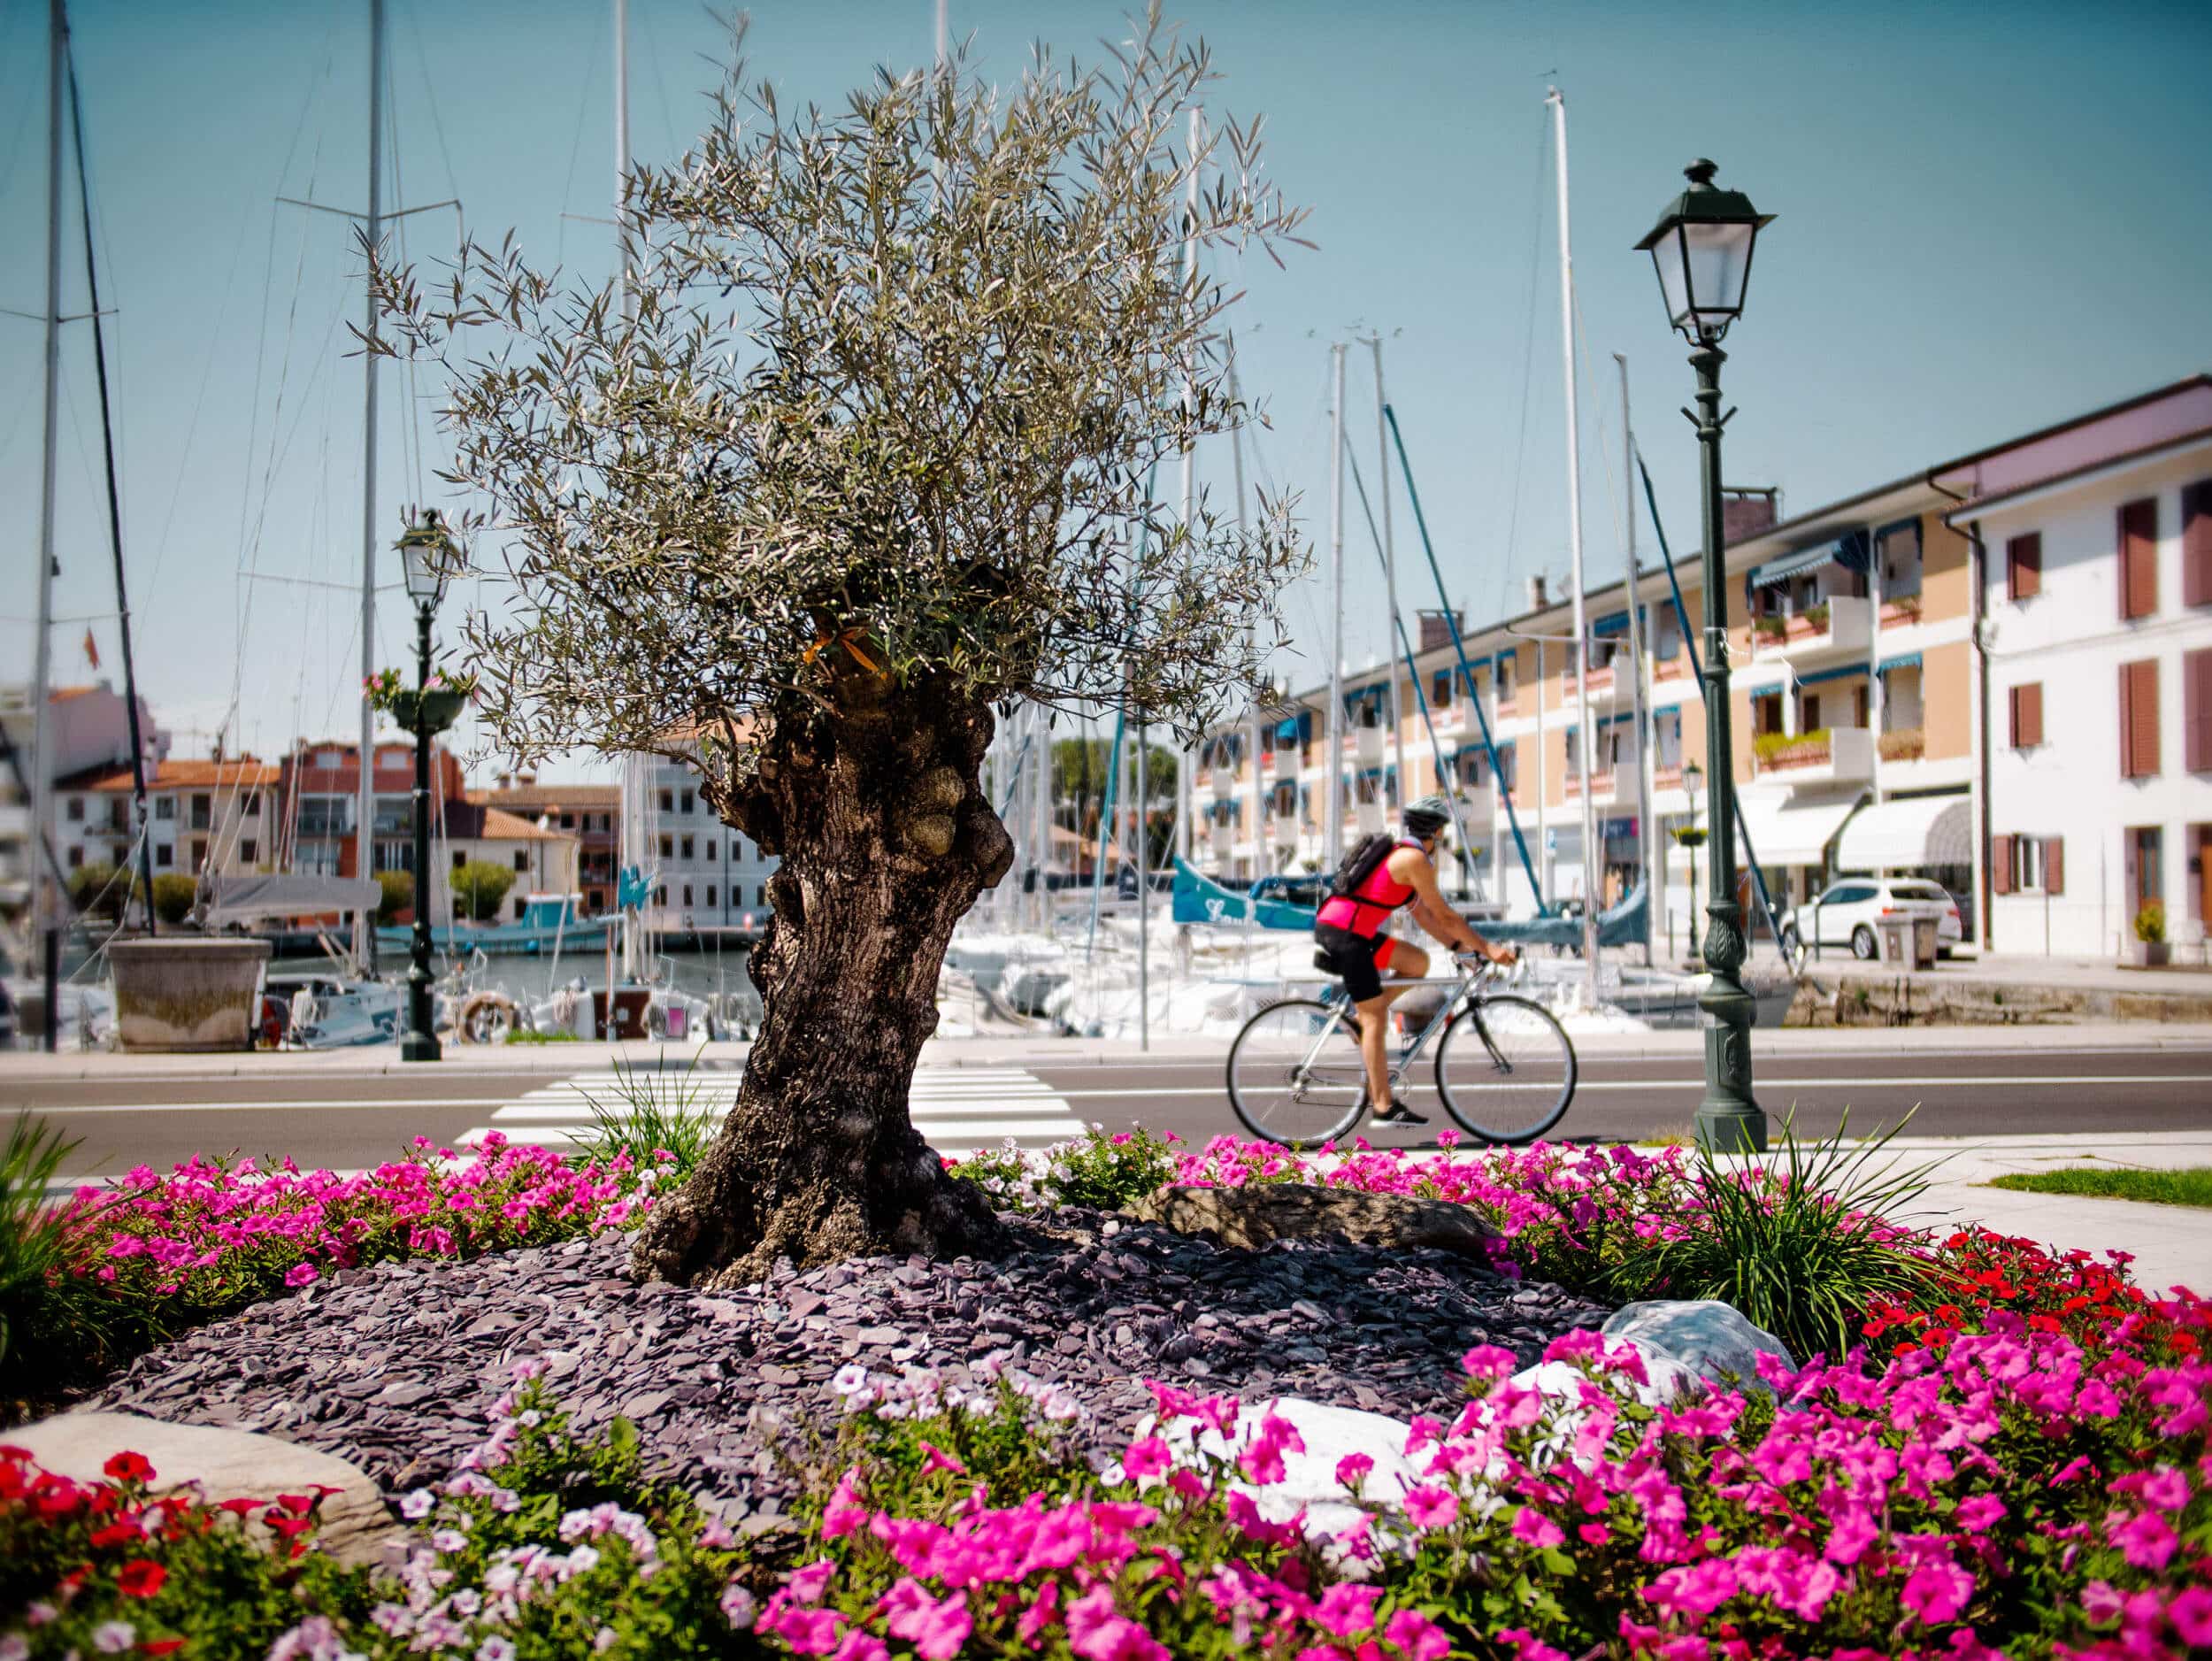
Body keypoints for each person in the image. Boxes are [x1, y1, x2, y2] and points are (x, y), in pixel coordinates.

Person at [1312, 793, 1517, 1125]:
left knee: (1416, 962)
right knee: (1376, 1017)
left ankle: (1364, 1014)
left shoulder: (1402, 857)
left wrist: (1462, 950)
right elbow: (1446, 916)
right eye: (1443, 835)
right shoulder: (1413, 860)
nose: (1443, 841)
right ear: (1435, 833)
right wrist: (1487, 947)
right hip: (1345, 933)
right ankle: (1383, 1107)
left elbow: (1425, 918)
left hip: (1348, 928)